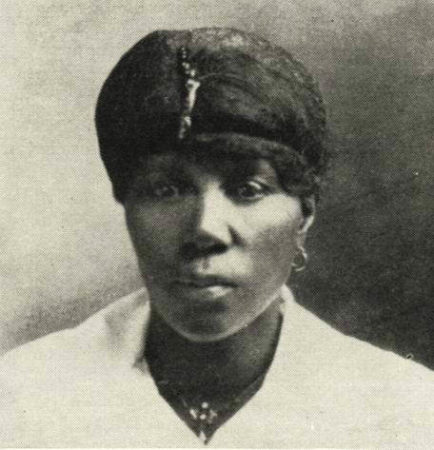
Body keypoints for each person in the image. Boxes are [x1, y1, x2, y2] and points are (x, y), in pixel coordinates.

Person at [1, 27, 433, 448]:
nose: (205, 229)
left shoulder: (404, 412)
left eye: (248, 189)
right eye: (166, 189)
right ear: (127, 204)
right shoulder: (24, 397)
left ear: (304, 215)